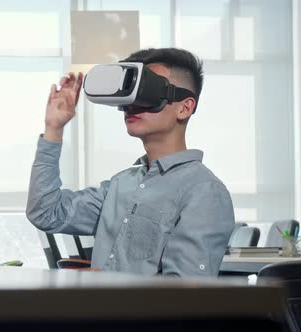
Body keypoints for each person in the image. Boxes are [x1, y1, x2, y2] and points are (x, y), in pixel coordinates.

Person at [26, 47, 235, 277]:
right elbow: (46, 212)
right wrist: (53, 129)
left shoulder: (204, 192)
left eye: (147, 91)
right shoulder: (121, 184)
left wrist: (106, 285)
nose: (132, 104)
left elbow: (184, 295)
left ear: (185, 107)